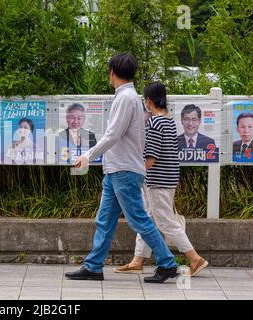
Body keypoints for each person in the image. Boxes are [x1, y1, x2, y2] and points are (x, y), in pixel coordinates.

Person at [65, 53, 178, 283]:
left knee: (138, 219)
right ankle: (94, 266)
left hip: (124, 171)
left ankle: (167, 263)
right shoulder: (130, 97)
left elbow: (112, 134)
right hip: (116, 170)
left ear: (112, 73)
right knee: (105, 220)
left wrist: (88, 155)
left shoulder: (125, 98)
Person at [113, 82, 208, 277]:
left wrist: (136, 173)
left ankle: (195, 258)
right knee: (147, 219)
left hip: (158, 181)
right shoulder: (169, 120)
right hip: (165, 178)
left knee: (165, 222)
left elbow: (151, 157)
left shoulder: (155, 122)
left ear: (148, 101)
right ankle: (137, 260)